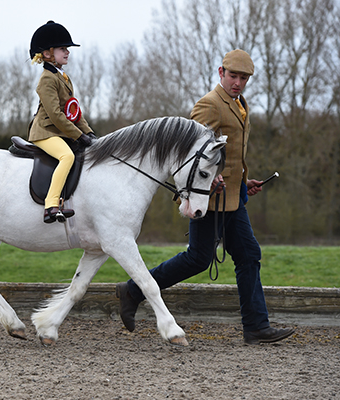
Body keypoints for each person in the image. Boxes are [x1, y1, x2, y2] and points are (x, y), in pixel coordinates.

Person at [115, 49, 295, 345]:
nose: (238, 82)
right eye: (233, 76)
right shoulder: (209, 105)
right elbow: (191, 152)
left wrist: (241, 180)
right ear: (220, 72)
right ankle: (134, 290)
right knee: (198, 258)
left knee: (249, 255)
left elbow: (229, 154)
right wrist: (212, 180)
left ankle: (256, 327)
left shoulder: (240, 104)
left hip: (233, 197)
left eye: (244, 78)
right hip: (207, 197)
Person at [28, 21, 96, 223]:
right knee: (67, 156)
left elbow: (74, 112)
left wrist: (89, 134)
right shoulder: (47, 79)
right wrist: (78, 135)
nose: (67, 52)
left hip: (58, 131)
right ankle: (51, 205)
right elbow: (57, 115)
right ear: (47, 53)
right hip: (45, 133)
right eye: (62, 49)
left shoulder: (63, 77)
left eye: (67, 49)